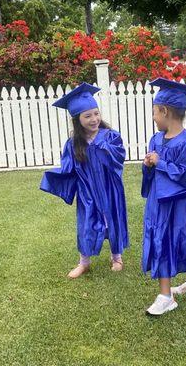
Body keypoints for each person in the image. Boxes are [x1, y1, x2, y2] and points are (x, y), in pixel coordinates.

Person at [40, 83, 128, 278]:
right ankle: (84, 263)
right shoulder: (73, 144)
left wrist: (103, 146)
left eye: (96, 114)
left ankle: (116, 257)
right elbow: (68, 168)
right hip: (87, 191)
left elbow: (119, 157)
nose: (94, 119)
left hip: (109, 189)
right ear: (77, 120)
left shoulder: (111, 136)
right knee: (86, 224)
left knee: (111, 220)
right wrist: (54, 177)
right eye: (87, 116)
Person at [142, 78, 186, 315]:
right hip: (159, 203)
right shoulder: (156, 139)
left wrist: (162, 163)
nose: (153, 118)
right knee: (163, 239)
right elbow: (155, 169)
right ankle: (165, 293)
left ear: (165, 111)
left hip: (182, 205)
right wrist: (149, 165)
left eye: (154, 113)